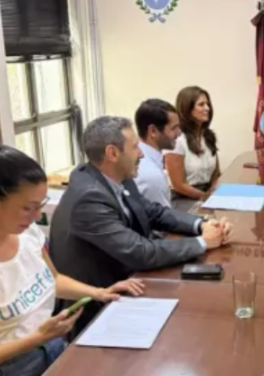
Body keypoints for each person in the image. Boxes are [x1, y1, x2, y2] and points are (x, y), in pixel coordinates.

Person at [0, 140, 143, 376]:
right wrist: (34, 339)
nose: (36, 217)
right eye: (27, 207)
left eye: (40, 205)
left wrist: (99, 292)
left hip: (50, 349)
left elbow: (53, 279)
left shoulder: (25, 232)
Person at [50, 116, 232, 334]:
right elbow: (139, 252)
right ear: (112, 153)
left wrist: (203, 225)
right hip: (97, 307)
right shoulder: (89, 198)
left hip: (130, 282)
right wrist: (203, 242)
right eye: (135, 147)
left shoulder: (116, 175)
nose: (142, 154)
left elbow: (152, 212)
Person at [165, 86, 220, 200]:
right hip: (183, 198)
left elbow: (216, 174)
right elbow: (179, 185)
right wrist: (206, 197)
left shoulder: (208, 136)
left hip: (207, 194)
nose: (207, 108)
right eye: (201, 104)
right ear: (187, 109)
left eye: (207, 104)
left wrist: (214, 193)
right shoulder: (177, 140)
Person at [134, 98, 181, 207]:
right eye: (174, 128)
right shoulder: (152, 175)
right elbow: (163, 216)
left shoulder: (142, 159)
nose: (179, 133)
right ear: (153, 131)